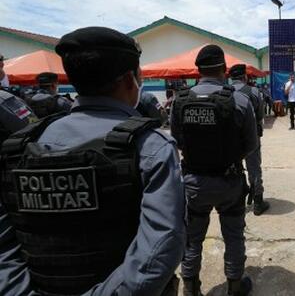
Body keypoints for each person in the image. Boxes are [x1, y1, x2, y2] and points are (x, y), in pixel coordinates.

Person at [0, 27, 185, 296]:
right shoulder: (149, 146)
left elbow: (4, 246)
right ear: (129, 81)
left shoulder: (18, 148)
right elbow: (161, 246)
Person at [170, 45, 258, 296]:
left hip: (193, 182)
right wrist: (229, 159)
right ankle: (235, 286)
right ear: (224, 68)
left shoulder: (180, 100)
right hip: (228, 181)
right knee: (233, 236)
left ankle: (190, 287)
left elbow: (176, 140)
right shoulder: (239, 100)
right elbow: (251, 145)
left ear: (197, 70)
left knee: (192, 238)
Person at [229, 64, 270, 216]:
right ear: (245, 77)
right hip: (251, 136)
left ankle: (237, 200)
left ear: (231, 78)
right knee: (254, 168)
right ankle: (258, 202)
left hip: (231, 138)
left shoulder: (224, 91)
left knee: (233, 168)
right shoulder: (253, 91)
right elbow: (260, 115)